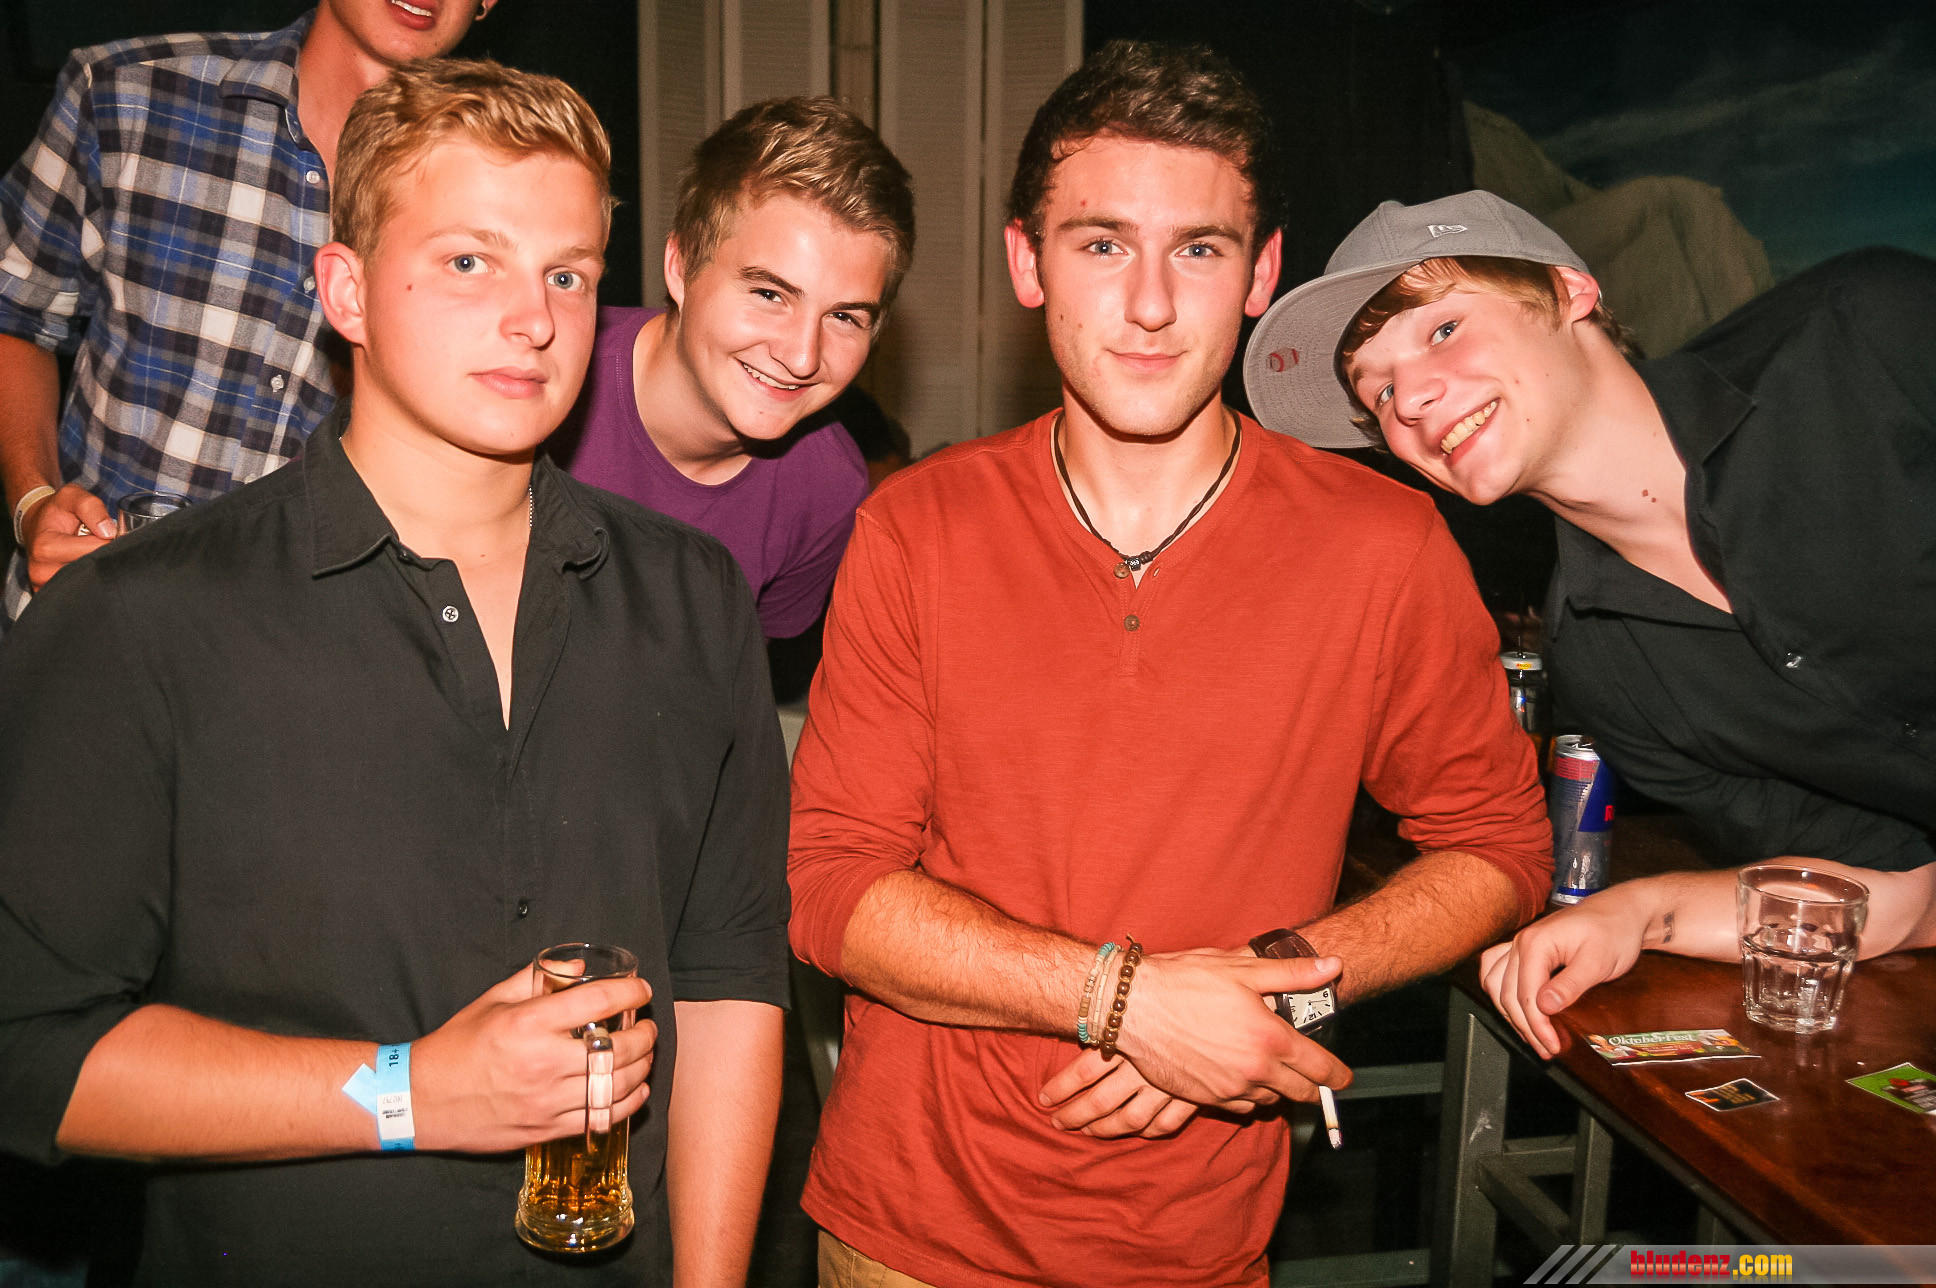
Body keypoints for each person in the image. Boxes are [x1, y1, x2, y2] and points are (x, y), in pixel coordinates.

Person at [0, 59, 789, 1287]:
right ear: (347, 292)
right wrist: (413, 1091)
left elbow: (730, 980)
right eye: (470, 261)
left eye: (568, 274)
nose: (533, 319)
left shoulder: (692, 600)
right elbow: (26, 1055)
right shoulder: (141, 619)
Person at [786, 42, 1552, 1288]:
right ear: (1028, 262)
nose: (1148, 304)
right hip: (908, 1229)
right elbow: (831, 886)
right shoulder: (915, 529)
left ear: (1261, 274)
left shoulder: (1383, 544)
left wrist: (1275, 989)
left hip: (1195, 1243)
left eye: (1197, 249)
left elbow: (1499, 843)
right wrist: (1124, 999)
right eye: (1101, 244)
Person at [1244, 191, 1935, 1039]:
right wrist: (1637, 913)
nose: (1412, 399)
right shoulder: (1605, 671)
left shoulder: (1868, 335)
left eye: (1443, 330)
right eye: (1378, 392)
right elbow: (1894, 897)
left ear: (1569, 290)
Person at [0, 0, 493, 621]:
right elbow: (15, 314)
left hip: (300, 656)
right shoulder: (128, 94)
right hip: (81, 623)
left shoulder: (495, 193)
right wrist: (34, 501)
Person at [552, 96, 908, 641]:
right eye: (769, 294)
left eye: (843, 317)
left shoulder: (828, 488)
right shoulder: (541, 385)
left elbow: (729, 673)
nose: (802, 358)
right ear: (681, 266)